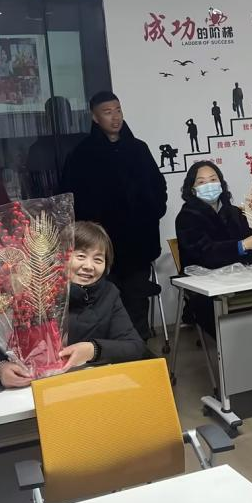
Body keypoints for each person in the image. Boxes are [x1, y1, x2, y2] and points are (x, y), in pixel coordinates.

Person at [0, 222, 148, 388]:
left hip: (90, 386)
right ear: (60, 257)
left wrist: (93, 350)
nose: (89, 266)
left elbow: (135, 347)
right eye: (81, 256)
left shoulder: (108, 294)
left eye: (98, 259)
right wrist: (0, 369)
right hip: (34, 389)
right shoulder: (29, 295)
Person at [61, 91, 168, 340]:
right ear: (95, 117)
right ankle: (108, 352)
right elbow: (69, 198)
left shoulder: (139, 149)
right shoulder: (82, 155)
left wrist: (154, 211)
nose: (115, 117)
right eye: (107, 112)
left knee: (137, 302)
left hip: (138, 245)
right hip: (100, 249)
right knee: (101, 306)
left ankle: (140, 351)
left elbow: (158, 185)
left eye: (118, 110)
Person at [175, 161, 252, 333]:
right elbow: (204, 254)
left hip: (240, 279)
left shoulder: (234, 212)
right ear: (192, 189)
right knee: (229, 321)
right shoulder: (186, 217)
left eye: (213, 179)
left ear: (221, 183)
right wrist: (242, 245)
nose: (209, 185)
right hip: (205, 286)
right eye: (201, 182)